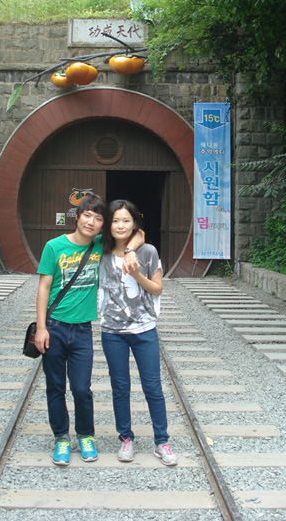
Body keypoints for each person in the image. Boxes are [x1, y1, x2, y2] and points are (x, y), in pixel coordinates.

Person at [35, 193, 143, 467]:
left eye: (98, 218)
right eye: (87, 215)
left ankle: (85, 435)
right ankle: (61, 438)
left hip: (82, 330)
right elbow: (44, 288)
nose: (91, 222)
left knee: (82, 388)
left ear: (102, 224)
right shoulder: (53, 246)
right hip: (54, 326)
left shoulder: (101, 245)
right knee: (55, 387)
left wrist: (130, 250)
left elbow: (139, 233)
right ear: (77, 216)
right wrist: (41, 328)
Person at [99, 199, 178, 466]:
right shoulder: (100, 251)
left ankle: (161, 441)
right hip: (112, 331)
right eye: (115, 221)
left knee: (153, 386)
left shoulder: (148, 252)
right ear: (108, 224)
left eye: (126, 221)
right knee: (120, 387)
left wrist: (136, 275)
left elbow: (158, 288)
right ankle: (126, 438)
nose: (120, 226)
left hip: (144, 330)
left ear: (135, 223)